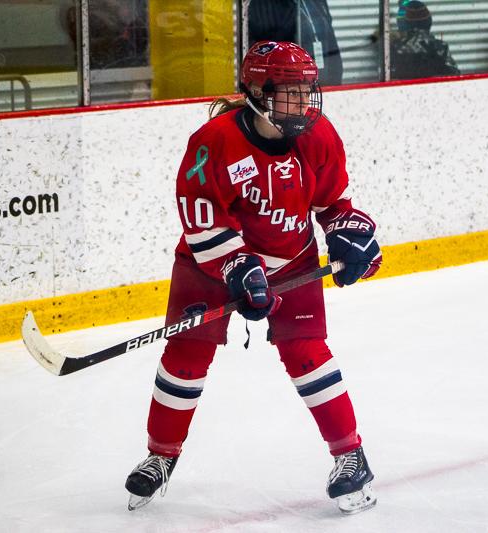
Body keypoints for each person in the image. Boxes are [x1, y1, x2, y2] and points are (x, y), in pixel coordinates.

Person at [123, 40, 382, 515]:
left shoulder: (318, 135)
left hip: (291, 261)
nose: (305, 102)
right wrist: (237, 267)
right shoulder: (214, 142)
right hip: (212, 261)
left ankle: (352, 458)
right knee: (185, 354)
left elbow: (331, 205)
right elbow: (202, 221)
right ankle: (160, 457)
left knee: (307, 354)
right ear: (258, 91)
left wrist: (351, 232)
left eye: (308, 89)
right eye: (291, 91)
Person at [248, 0, 343, 86]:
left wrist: (334, 82)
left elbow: (329, 38)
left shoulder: (317, 2)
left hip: (322, 87)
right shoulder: (263, 4)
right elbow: (267, 52)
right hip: (290, 92)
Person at [390, 0, 460, 80]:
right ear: (428, 22)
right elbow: (455, 75)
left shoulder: (394, 47)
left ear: (403, 24)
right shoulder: (440, 47)